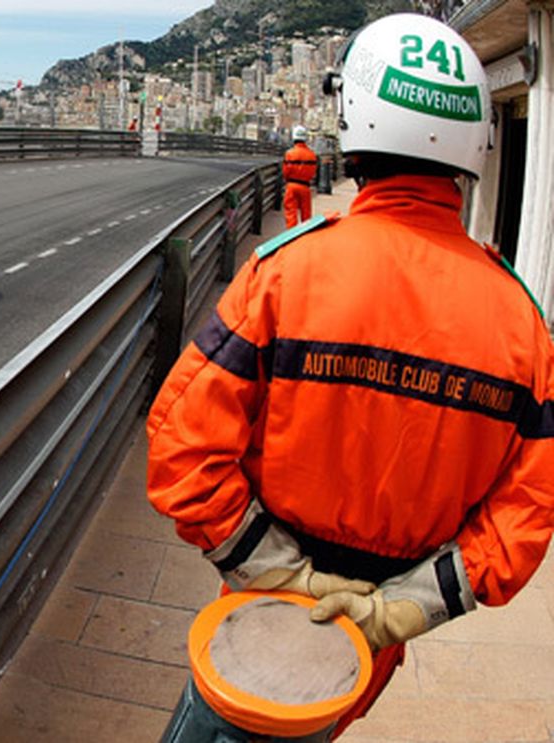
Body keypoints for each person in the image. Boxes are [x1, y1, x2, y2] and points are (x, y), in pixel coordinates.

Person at [146, 12, 553, 740]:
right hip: (372, 646)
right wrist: (403, 606)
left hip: (261, 615)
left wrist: (284, 575)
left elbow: (183, 451)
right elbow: (525, 512)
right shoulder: (523, 322)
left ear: (354, 120)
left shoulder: (285, 274)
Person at [282, 125, 319, 227]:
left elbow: (285, 171)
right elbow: (313, 172)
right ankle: (306, 234)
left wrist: (288, 180)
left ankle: (292, 234)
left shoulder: (289, 153)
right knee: (306, 215)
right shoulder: (312, 154)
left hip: (292, 186)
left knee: (291, 214)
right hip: (305, 187)